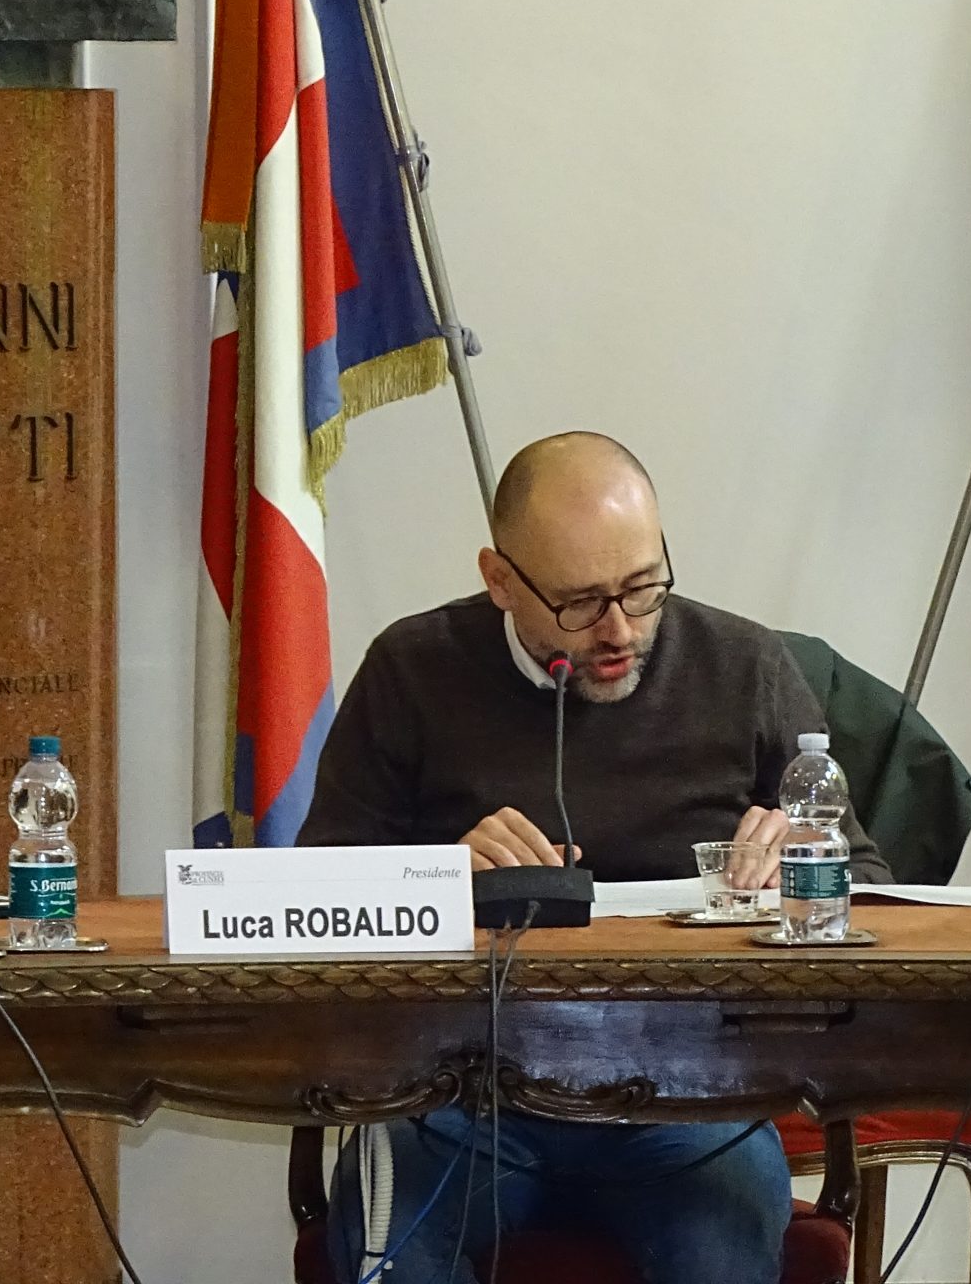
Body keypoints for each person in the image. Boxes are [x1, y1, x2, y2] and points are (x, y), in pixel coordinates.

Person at [299, 432, 892, 1284]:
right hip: (456, 1105)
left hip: (693, 1103)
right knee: (388, 1241)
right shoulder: (412, 671)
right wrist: (434, 876)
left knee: (717, 1246)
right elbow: (310, 894)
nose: (619, 631)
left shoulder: (745, 667)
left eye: (643, 587)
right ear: (500, 580)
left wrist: (805, 864)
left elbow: (872, 886)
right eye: (579, 603)